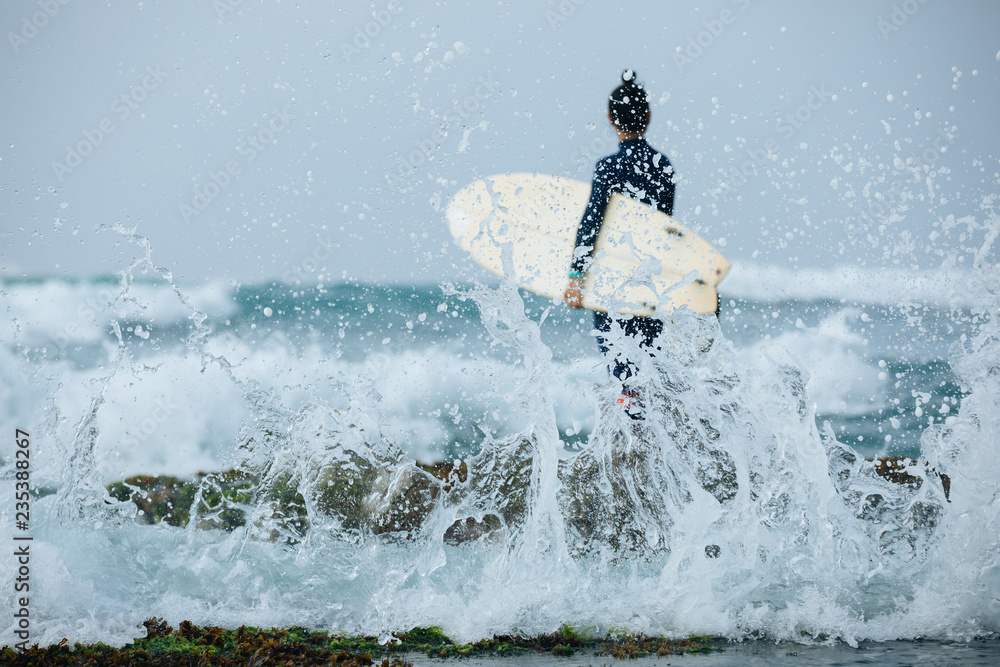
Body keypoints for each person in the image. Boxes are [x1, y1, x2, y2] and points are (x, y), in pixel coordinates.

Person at [563, 70, 676, 417]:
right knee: (652, 365)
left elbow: (592, 223)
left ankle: (633, 438)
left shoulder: (608, 167)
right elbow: (663, 229)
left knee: (623, 369)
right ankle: (657, 436)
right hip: (651, 283)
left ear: (611, 119)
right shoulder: (664, 166)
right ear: (649, 117)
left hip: (612, 283)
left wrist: (576, 276)